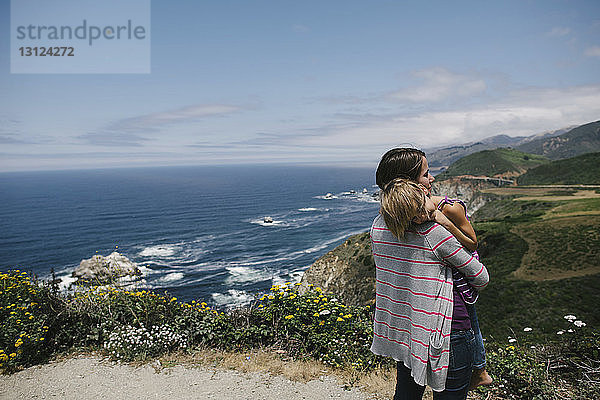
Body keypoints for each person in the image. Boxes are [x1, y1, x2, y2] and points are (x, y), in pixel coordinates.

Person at [376, 147, 492, 390]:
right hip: (449, 331)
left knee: (406, 395)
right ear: (408, 184)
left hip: (409, 329)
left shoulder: (378, 226)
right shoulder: (432, 232)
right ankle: (480, 370)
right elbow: (481, 277)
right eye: (426, 174)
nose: (432, 179)